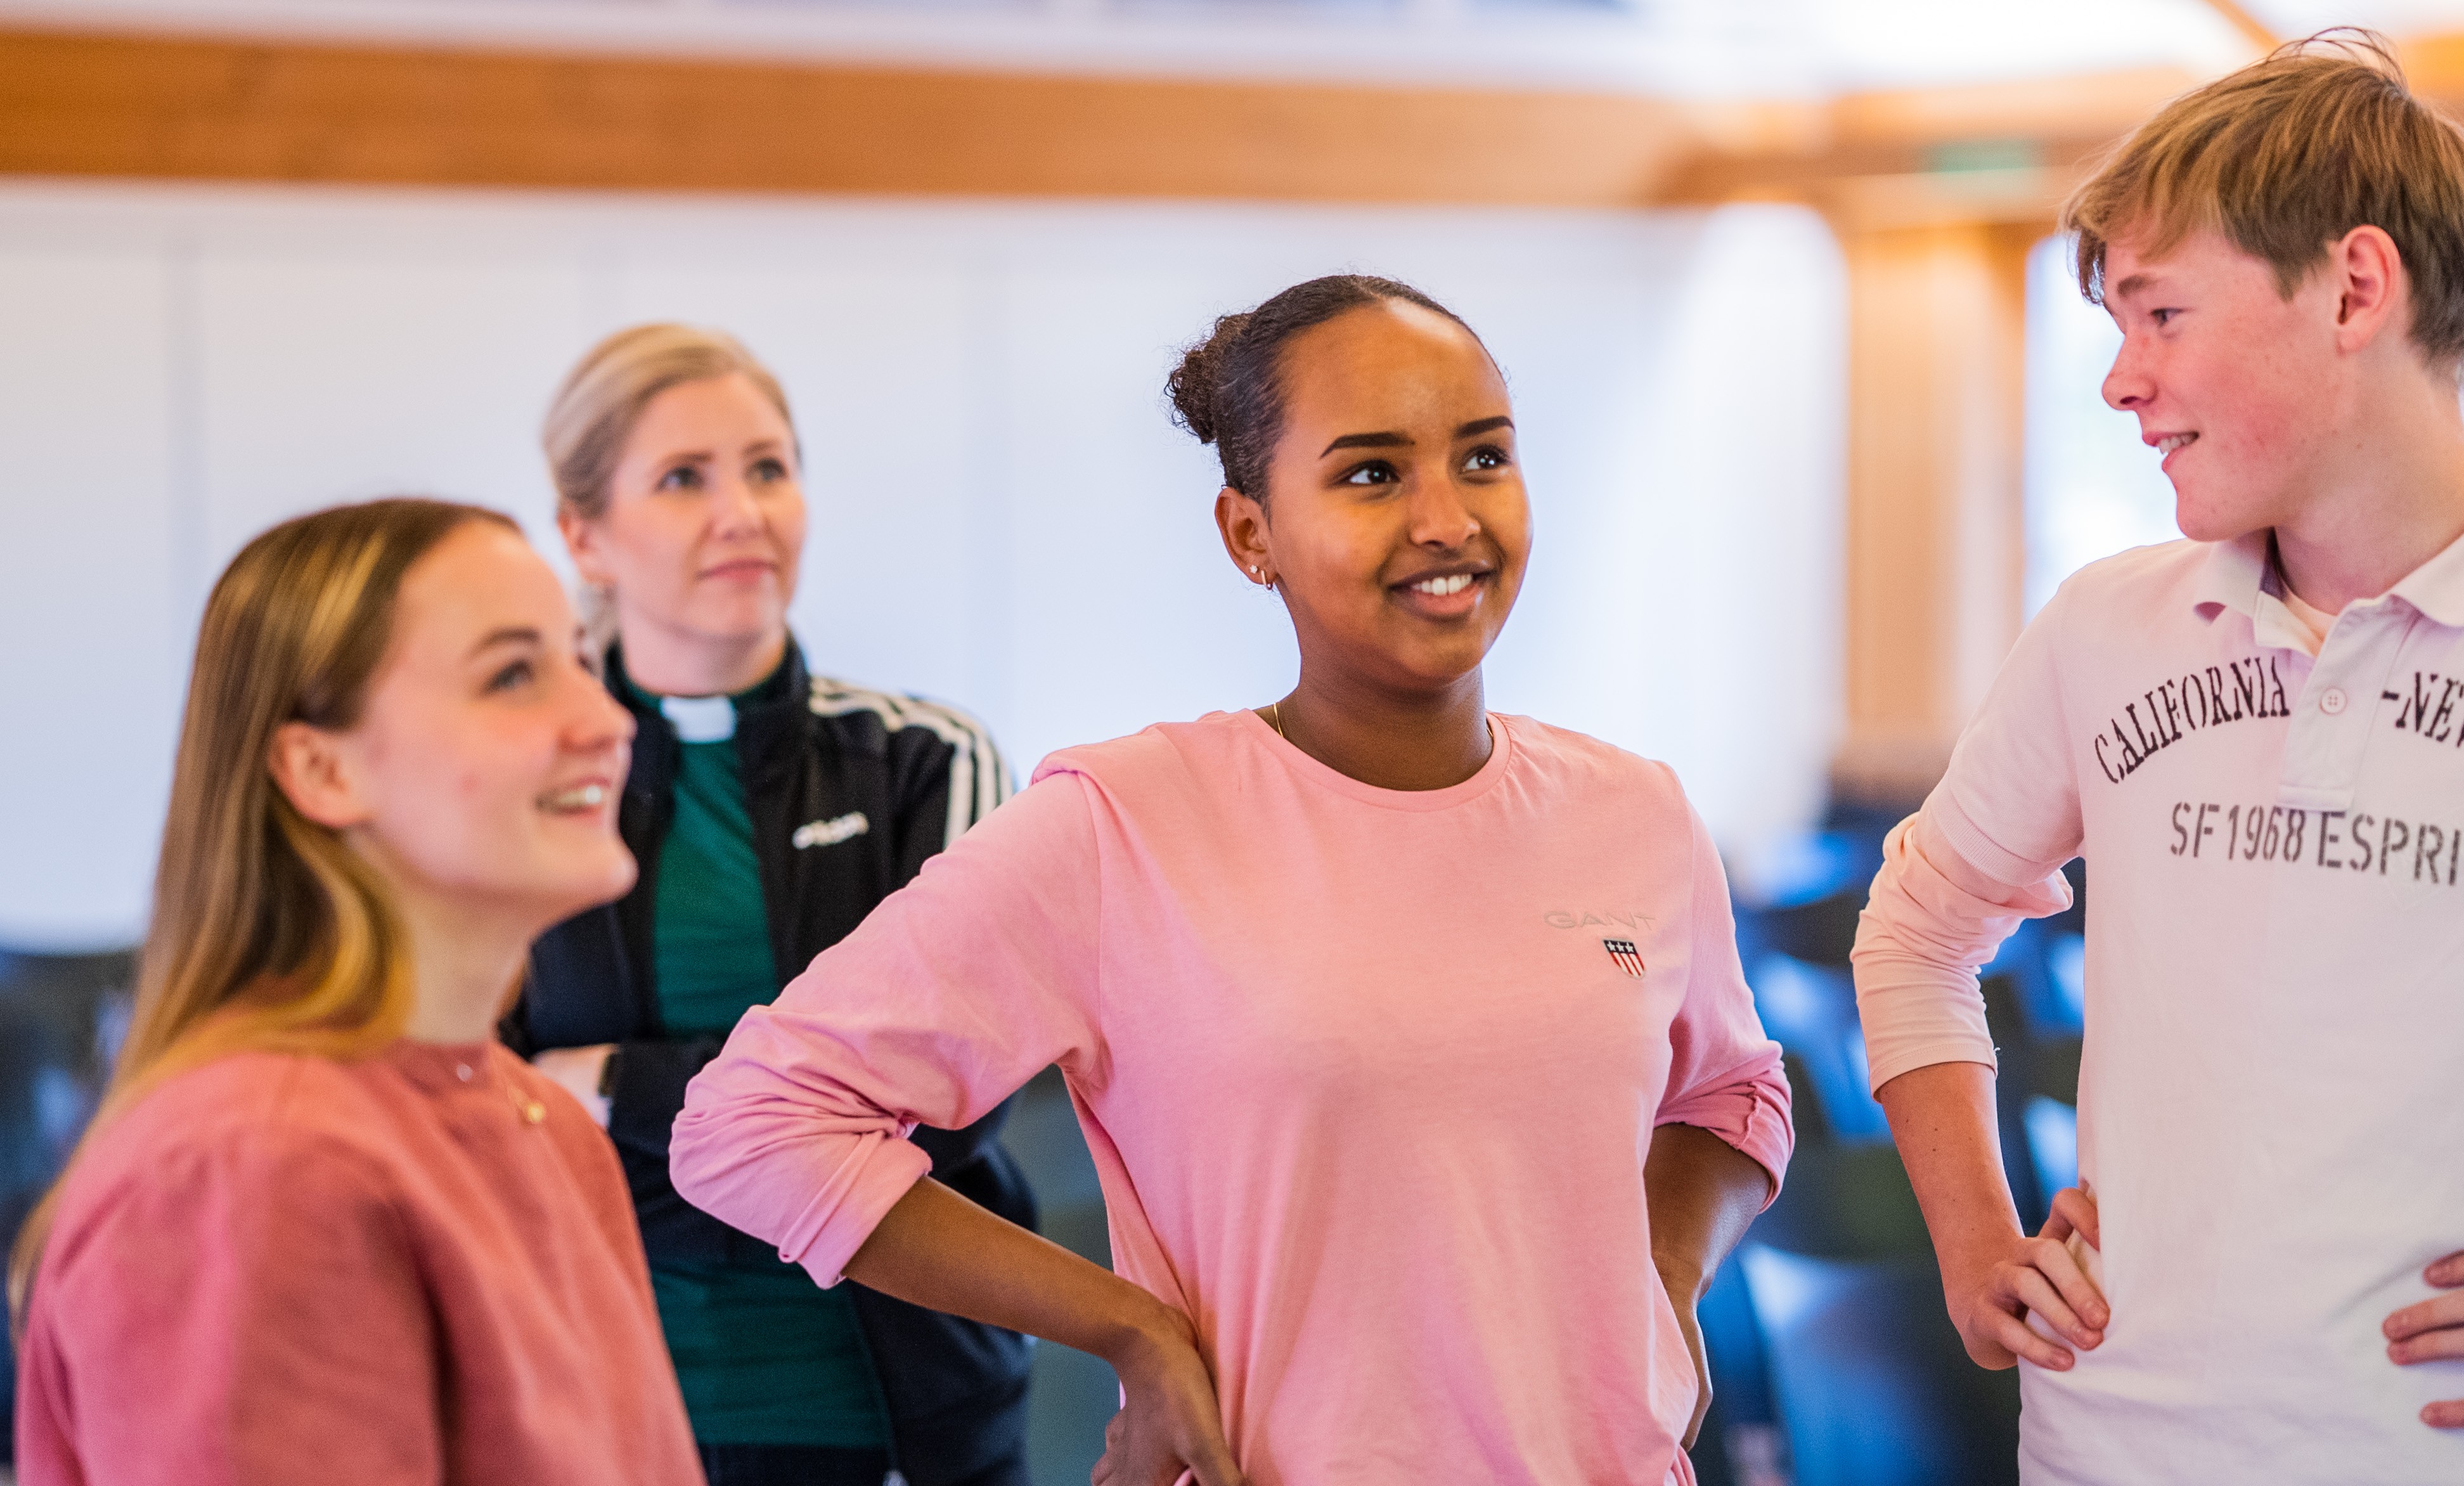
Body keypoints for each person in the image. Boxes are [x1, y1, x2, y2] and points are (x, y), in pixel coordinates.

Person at [668, 274, 1793, 1485]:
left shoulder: (1637, 813)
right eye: (1371, 473)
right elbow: (753, 1122)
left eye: (1483, 458)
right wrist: (1128, 1328)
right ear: (1251, 534)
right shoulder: (1124, 824)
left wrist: (1663, 1277)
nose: (1447, 518)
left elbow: (1734, 1097)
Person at [1850, 32, 2464, 1485]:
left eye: (2157, 314)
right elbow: (1913, 930)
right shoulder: (2104, 626)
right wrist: (1973, 1244)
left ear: (2352, 288)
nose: (2117, 381)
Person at [8, 499, 703, 1485]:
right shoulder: (252, 1169)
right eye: (512, 674)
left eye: (584, 664)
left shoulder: (543, 1121)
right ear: (321, 767)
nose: (606, 721)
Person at [501, 323, 1034, 1486]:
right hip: (605, 1409)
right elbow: (482, 1111)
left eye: (769, 468)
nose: (742, 510)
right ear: (585, 536)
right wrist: (808, 1126)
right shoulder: (524, 782)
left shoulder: (924, 763)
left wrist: (607, 1083)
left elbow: (945, 1115)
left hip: (908, 1411)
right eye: (684, 478)